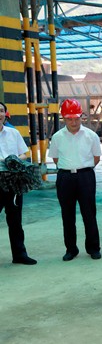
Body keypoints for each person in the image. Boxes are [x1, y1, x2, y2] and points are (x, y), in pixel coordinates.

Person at [48, 99, 102, 261]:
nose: (73, 122)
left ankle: (93, 248)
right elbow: (56, 159)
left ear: (81, 117)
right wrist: (69, 168)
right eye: (69, 119)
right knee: (67, 215)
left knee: (89, 213)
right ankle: (71, 249)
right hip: (65, 178)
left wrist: (81, 169)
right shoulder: (57, 137)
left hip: (86, 176)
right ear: (64, 118)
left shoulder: (91, 136)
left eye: (76, 118)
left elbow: (96, 158)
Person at [0, 101, 37, 265]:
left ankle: (19, 255)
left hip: (14, 181)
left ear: (5, 114)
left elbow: (24, 154)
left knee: (15, 220)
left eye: (1, 111)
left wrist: (15, 159)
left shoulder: (13, 133)